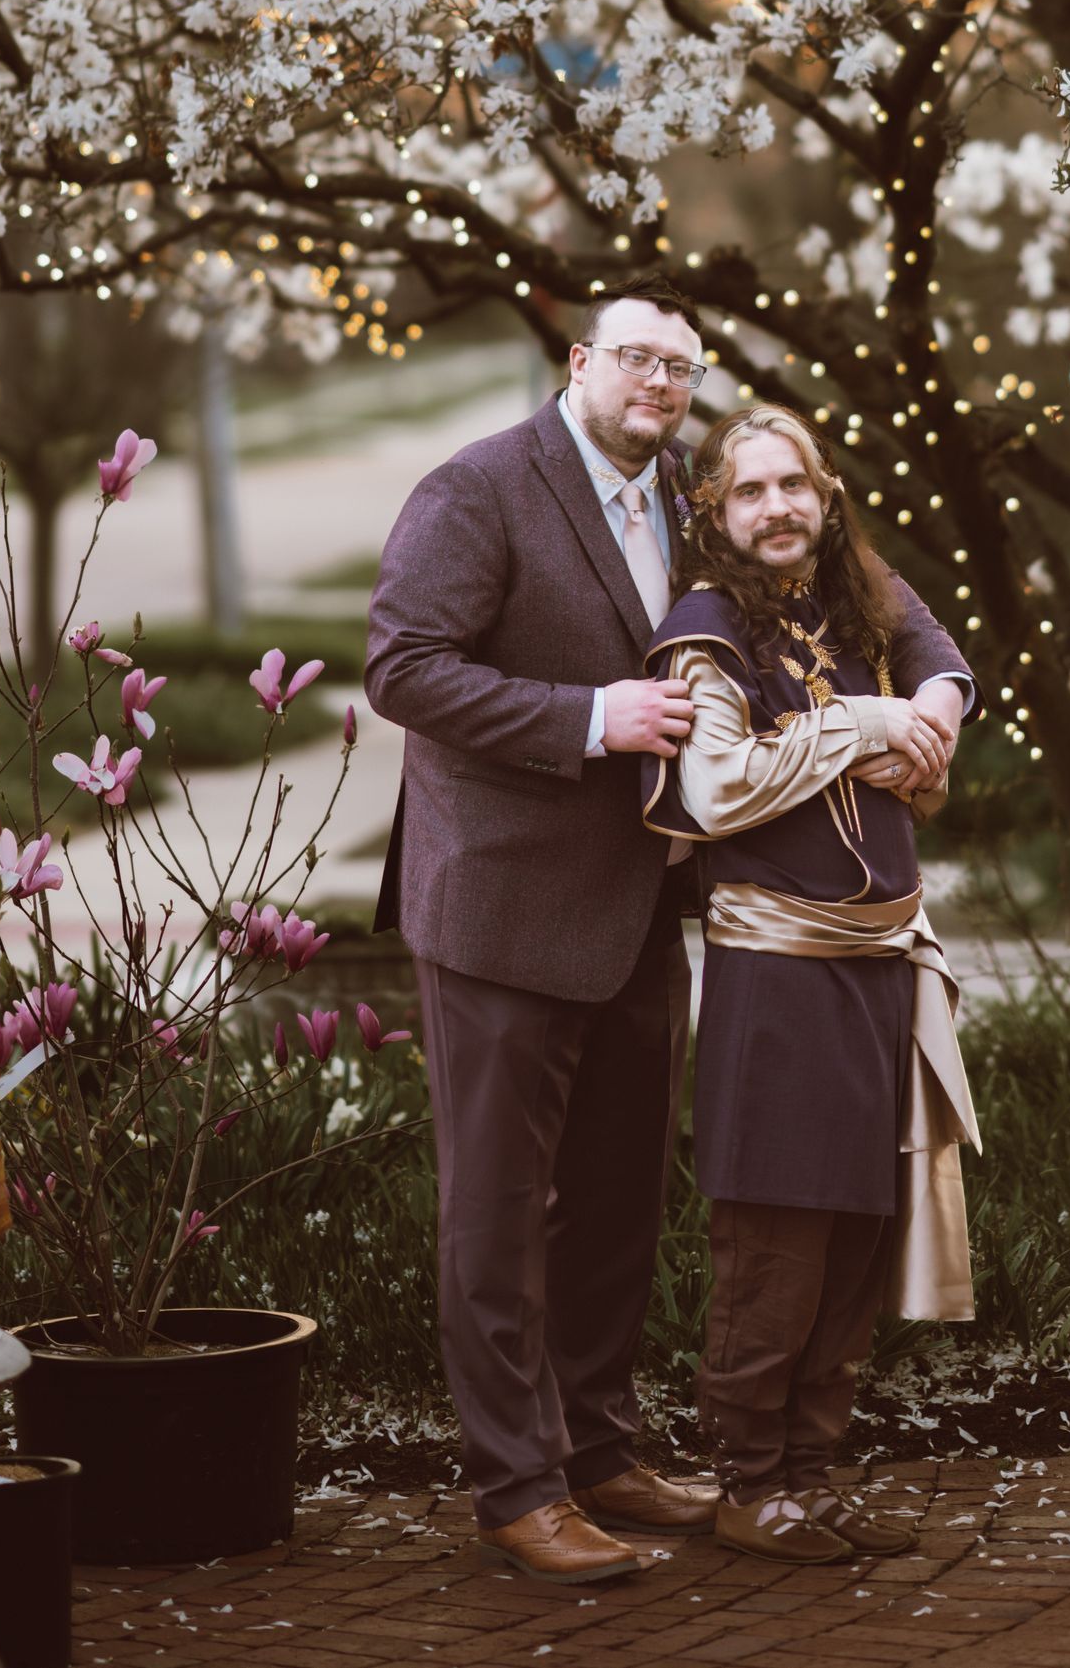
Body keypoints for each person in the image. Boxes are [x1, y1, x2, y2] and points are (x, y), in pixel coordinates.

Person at [365, 280, 715, 1581]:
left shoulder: (683, 496)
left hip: (638, 908)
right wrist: (591, 719)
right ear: (580, 361)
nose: (658, 385)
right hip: (503, 911)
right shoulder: (480, 488)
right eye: (636, 358)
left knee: (623, 1200)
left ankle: (598, 1449)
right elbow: (402, 667)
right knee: (501, 1214)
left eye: (679, 367)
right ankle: (518, 1487)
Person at [642, 405, 979, 1566]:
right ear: (715, 512)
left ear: (826, 494)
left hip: (882, 969)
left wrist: (929, 704)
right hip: (778, 979)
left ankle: (812, 1477)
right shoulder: (707, 625)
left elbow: (935, 649)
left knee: (852, 1240)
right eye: (750, 490)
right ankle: (747, 1483)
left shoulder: (853, 595)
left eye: (796, 484)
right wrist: (863, 723)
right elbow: (721, 787)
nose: (777, 507)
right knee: (777, 1245)